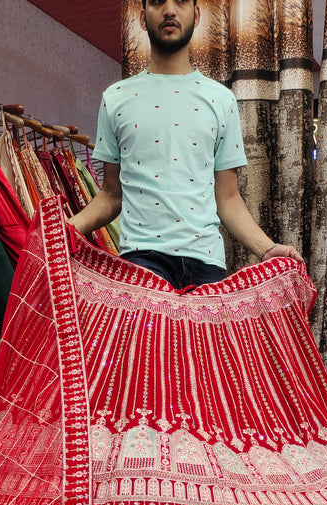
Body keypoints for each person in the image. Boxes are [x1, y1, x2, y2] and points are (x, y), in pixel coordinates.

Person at [68, 0, 304, 289]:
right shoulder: (115, 98)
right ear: (143, 18)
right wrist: (64, 230)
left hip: (207, 265)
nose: (169, 10)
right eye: (157, 2)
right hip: (142, 264)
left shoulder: (222, 99)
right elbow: (111, 195)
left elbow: (228, 198)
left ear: (197, 14)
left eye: (180, 1)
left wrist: (267, 249)